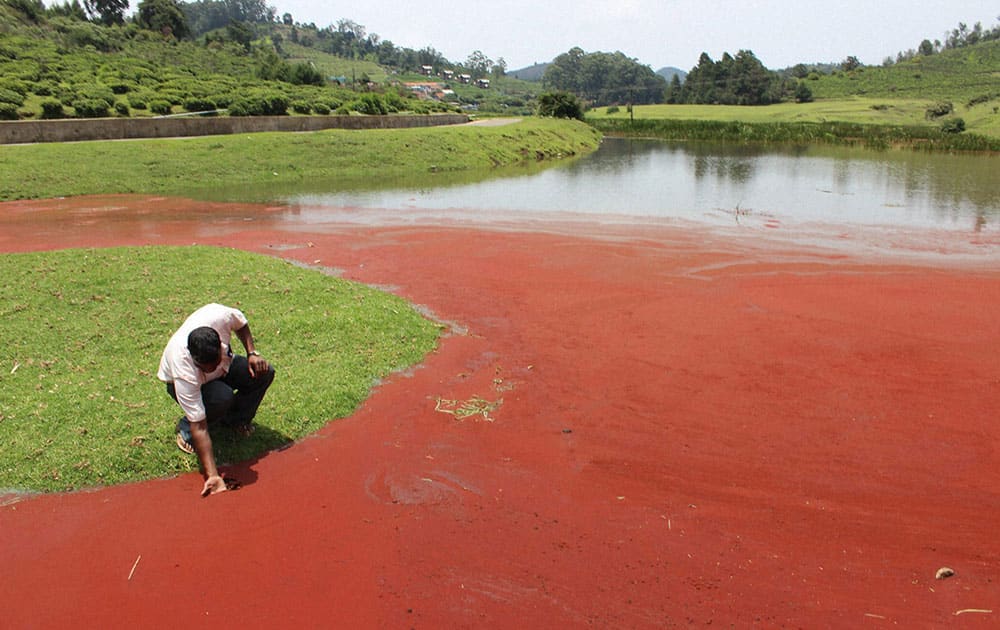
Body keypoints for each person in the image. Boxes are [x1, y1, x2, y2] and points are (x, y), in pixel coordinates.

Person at [157, 303, 275, 496]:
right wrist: (212, 475)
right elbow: (200, 426)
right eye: (207, 367)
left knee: (264, 372)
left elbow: (241, 322)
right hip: (188, 384)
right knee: (222, 396)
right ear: (195, 360)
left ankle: (235, 420)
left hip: (226, 367)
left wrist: (252, 353)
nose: (212, 368)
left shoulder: (219, 317)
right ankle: (185, 429)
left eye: (215, 361)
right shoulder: (184, 370)